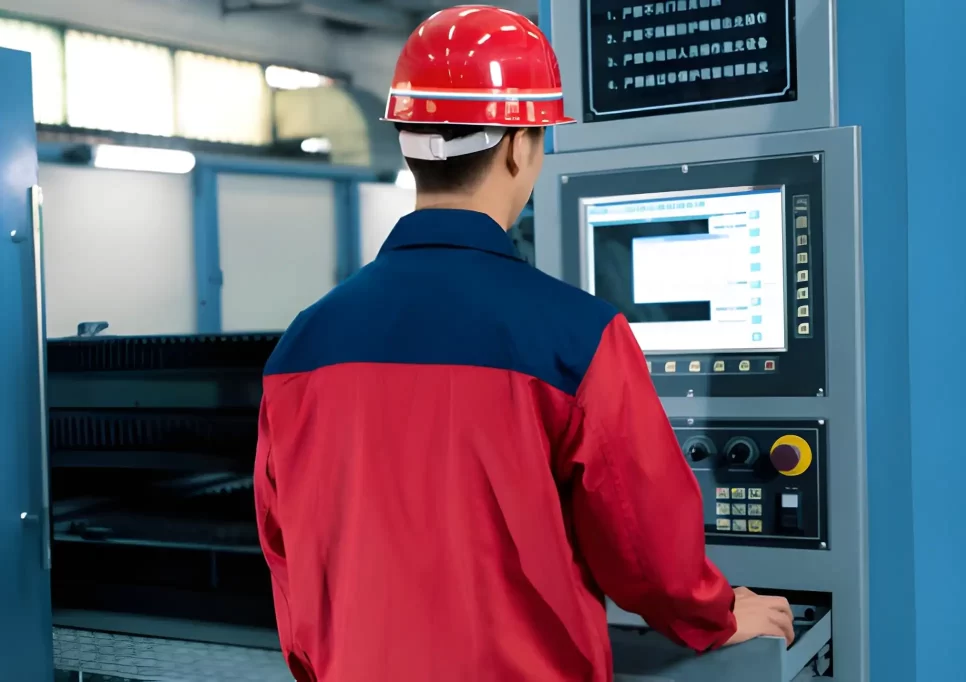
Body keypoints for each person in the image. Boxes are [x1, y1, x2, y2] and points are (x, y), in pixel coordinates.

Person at [253, 5, 794, 681]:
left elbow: (287, 555)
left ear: (407, 141)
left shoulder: (302, 344)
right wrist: (715, 614)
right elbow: (642, 549)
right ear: (520, 144)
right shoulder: (577, 337)